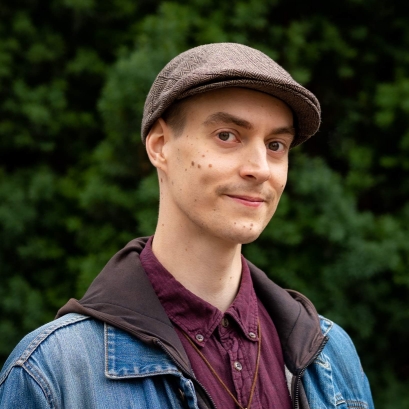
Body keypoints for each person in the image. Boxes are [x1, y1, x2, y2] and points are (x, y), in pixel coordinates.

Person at [0, 43, 374, 409]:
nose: (260, 169)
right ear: (160, 145)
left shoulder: (331, 355)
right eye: (227, 136)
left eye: (276, 145)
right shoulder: (54, 373)